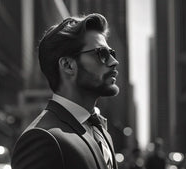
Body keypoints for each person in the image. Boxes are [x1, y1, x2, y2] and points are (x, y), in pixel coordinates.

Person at [11, 13, 120, 169]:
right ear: (68, 65)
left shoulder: (102, 132)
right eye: (101, 54)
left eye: (112, 53)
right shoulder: (42, 138)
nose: (114, 61)